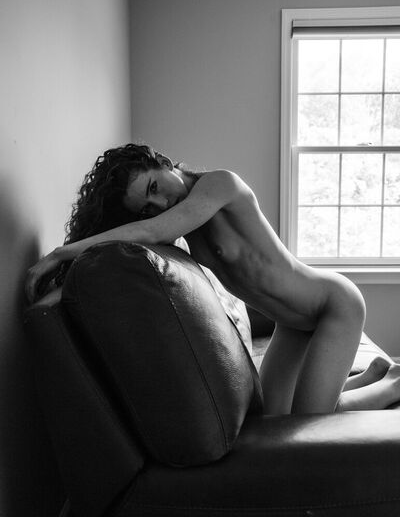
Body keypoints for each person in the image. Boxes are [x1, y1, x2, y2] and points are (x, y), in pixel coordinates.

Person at [25, 143, 400, 414]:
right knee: (272, 416)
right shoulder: (178, 223)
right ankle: (370, 376)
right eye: (146, 207)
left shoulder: (220, 185)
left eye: (154, 187)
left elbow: (150, 231)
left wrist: (60, 253)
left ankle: (392, 384)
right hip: (291, 322)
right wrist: (65, 287)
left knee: (310, 420)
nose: (159, 204)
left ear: (163, 162)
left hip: (332, 305)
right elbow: (124, 248)